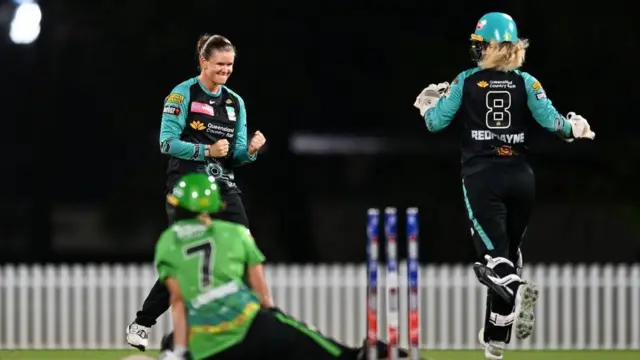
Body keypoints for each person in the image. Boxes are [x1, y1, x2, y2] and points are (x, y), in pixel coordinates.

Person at [412, 12, 595, 360]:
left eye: (481, 44)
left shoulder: (466, 81)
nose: (477, 50)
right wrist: (577, 128)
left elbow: (436, 123)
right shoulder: (527, 82)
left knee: (494, 263)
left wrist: (426, 107)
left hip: (483, 178)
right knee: (508, 258)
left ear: (494, 46)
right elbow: (556, 124)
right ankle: (495, 343)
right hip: (522, 179)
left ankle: (517, 288)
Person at [153, 173, 408, 360]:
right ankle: (374, 356)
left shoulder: (167, 242)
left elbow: (178, 302)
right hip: (252, 325)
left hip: (206, 341)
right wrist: (273, 319)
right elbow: (262, 294)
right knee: (333, 353)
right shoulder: (236, 233)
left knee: (168, 344)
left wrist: (180, 351)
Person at [127, 33, 267, 350]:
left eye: (230, 65)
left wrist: (253, 150)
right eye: (220, 64)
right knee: (189, 254)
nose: (226, 70)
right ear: (204, 61)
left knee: (244, 250)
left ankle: (245, 329)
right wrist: (206, 152)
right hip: (188, 185)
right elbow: (166, 143)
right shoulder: (183, 93)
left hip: (224, 186)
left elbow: (236, 155)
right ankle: (143, 323)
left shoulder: (235, 102)